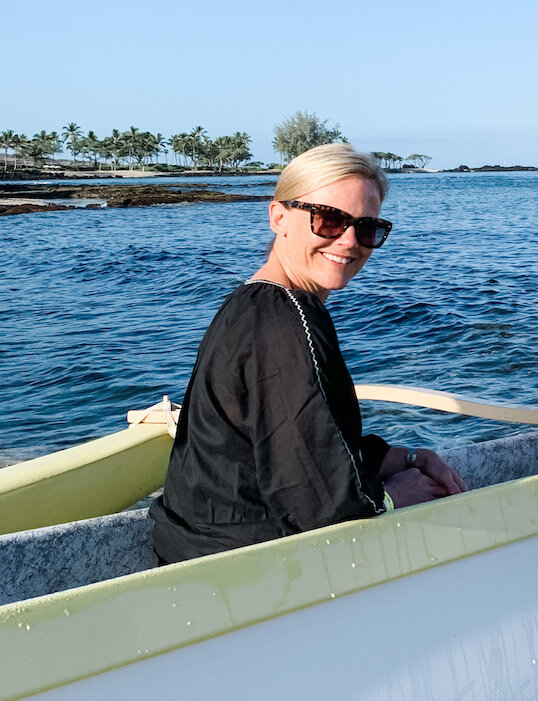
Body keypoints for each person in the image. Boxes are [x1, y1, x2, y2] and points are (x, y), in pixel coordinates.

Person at [150, 144, 465, 564]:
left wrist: (409, 457)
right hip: (239, 571)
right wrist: (392, 497)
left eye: (366, 227)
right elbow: (319, 503)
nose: (350, 242)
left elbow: (307, 443)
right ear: (279, 217)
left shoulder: (254, 304)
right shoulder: (284, 319)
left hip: (196, 554)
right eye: (329, 220)